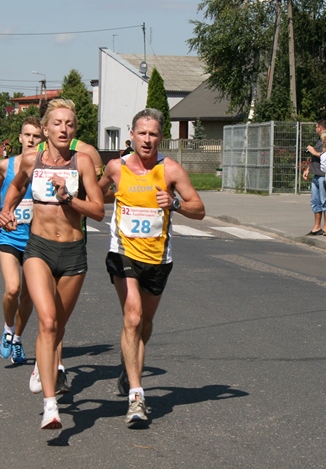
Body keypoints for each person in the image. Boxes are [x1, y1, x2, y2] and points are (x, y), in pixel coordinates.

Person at [0, 98, 104, 430]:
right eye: (57, 123)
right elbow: (15, 187)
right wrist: (6, 211)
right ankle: (50, 406)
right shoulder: (32, 161)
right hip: (38, 249)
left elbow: (98, 210)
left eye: (69, 124)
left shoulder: (83, 162)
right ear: (45, 129)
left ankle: (43, 366)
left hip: (73, 253)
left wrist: (69, 198)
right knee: (47, 321)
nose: (63, 129)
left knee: (57, 327)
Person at [98, 108, 206, 426]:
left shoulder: (170, 169)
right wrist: (102, 196)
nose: (147, 139)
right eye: (142, 133)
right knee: (132, 317)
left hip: (158, 258)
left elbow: (199, 209)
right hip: (123, 253)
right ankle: (136, 397)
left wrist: (174, 203)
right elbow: (98, 194)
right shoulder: (116, 167)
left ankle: (128, 365)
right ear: (131, 135)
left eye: (153, 134)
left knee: (144, 324)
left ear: (161, 137)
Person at [0, 117, 44, 366]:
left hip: (35, 240)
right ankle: (8, 329)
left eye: (36, 136)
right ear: (20, 137)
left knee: (28, 298)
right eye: (27, 135)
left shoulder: (45, 168)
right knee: (13, 289)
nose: (31, 140)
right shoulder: (6, 165)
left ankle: (18, 339)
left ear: (42, 140)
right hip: (9, 235)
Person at [304, 120, 326, 235]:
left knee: (324, 201)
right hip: (316, 175)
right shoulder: (319, 140)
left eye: (316, 127)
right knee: (315, 202)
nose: (315, 129)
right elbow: (316, 158)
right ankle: (317, 226)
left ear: (320, 128)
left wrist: (314, 152)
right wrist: (308, 169)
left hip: (323, 176)